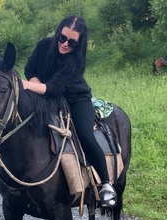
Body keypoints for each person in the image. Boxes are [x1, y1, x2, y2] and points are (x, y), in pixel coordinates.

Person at [22, 15, 117, 207]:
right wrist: (34, 82)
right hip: (43, 94)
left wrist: (25, 85)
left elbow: (56, 88)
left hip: (75, 98)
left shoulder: (78, 61)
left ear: (79, 44)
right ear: (58, 33)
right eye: (62, 38)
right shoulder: (43, 46)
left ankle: (106, 185)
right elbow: (30, 68)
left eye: (72, 42)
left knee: (85, 135)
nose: (65, 44)